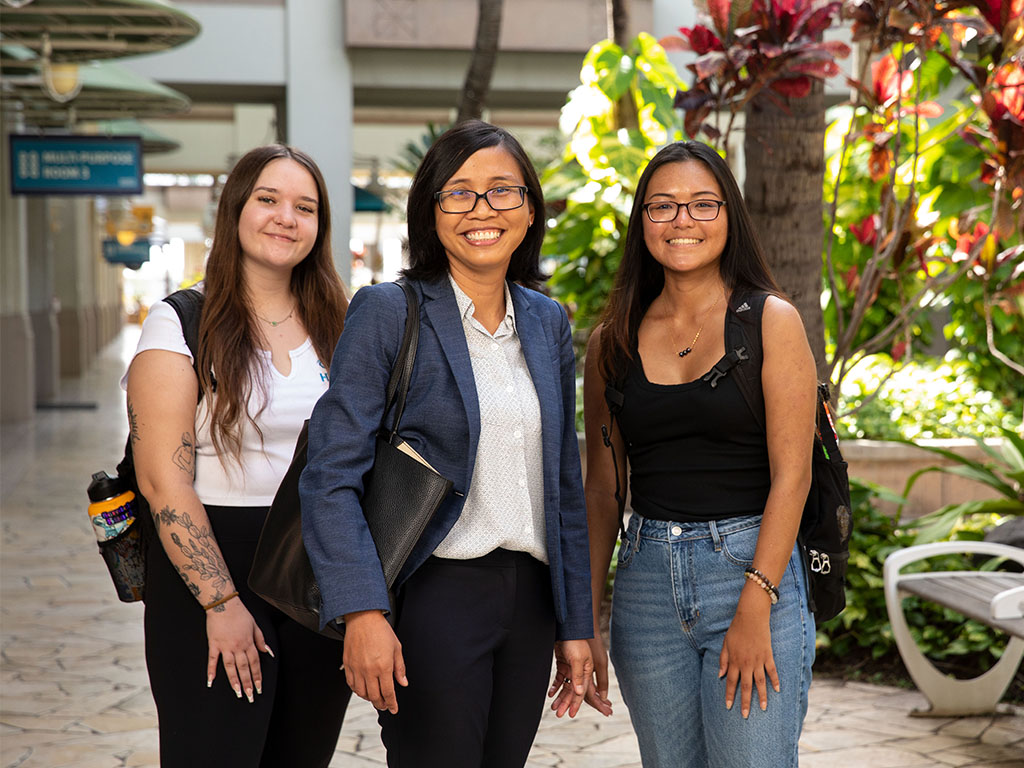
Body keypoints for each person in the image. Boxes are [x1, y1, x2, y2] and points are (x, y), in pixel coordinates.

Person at [300, 120, 594, 768]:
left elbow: (564, 488)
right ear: (429, 211)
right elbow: (330, 472)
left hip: (530, 603)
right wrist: (363, 611)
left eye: (502, 192)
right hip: (435, 596)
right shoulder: (387, 310)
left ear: (529, 207)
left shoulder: (546, 321)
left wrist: (577, 625)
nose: (482, 210)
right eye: (459, 193)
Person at [580, 141, 817, 767]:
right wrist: (585, 620)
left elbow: (793, 477)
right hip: (646, 585)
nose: (682, 220)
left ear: (729, 216)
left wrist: (755, 601)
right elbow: (603, 491)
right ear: (642, 222)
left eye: (702, 204)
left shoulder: (770, 321)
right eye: (663, 206)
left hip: (748, 568)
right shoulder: (612, 341)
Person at [124, 145, 351, 767]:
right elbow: (162, 482)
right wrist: (221, 605)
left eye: (305, 207)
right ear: (235, 210)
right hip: (209, 565)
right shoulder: (180, 322)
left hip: (315, 568)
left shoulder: (344, 324)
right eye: (268, 200)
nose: (287, 217)